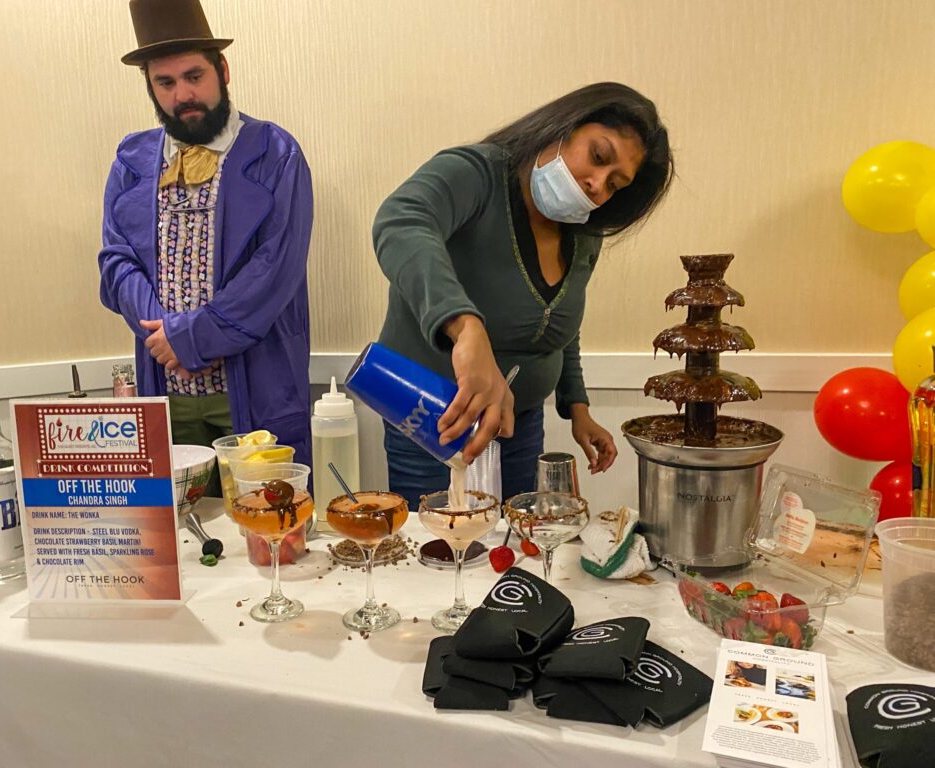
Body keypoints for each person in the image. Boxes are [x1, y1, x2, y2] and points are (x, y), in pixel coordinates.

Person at [373, 83, 673, 507]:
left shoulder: (584, 232)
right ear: (563, 127)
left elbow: (560, 325)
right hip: (430, 415)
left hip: (518, 424)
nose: (596, 185)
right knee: (439, 554)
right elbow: (400, 222)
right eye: (598, 157)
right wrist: (466, 328)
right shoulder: (475, 173)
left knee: (514, 553)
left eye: (615, 184)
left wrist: (577, 407)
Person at [98, 0, 314, 481]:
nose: (183, 95)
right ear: (151, 87)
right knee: (178, 541)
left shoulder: (275, 153)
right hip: (164, 395)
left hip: (256, 393)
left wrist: (191, 336)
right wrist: (162, 334)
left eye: (194, 75)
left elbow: (276, 267)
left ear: (223, 70)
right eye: (166, 83)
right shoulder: (131, 161)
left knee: (265, 533)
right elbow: (116, 262)